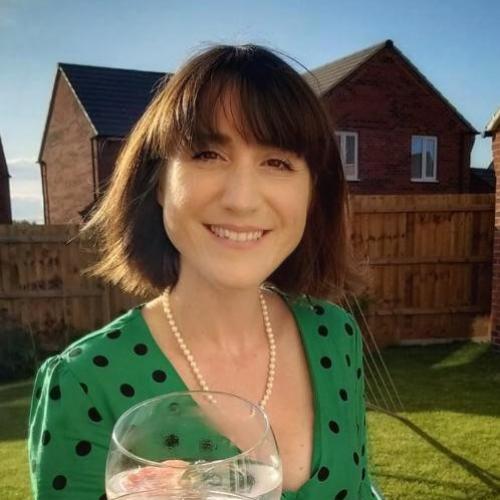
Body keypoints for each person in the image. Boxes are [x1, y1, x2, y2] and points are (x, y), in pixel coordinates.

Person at [28, 44, 383, 499]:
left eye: (277, 162)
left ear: (313, 195)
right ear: (158, 182)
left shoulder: (335, 334)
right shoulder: (83, 384)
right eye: (207, 155)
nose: (241, 199)